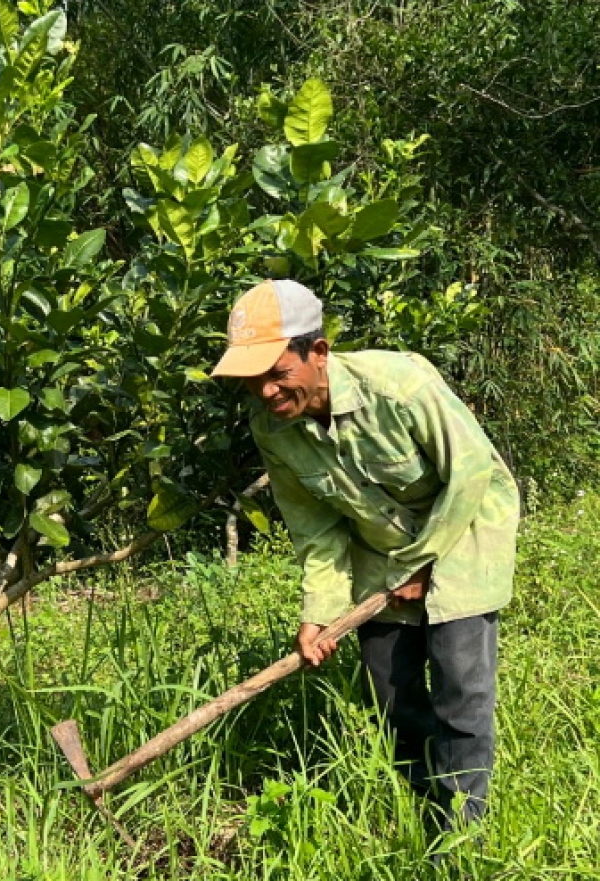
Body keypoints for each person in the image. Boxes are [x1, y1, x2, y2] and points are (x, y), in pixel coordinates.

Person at [211, 278, 520, 830]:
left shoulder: (400, 385)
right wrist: (319, 615)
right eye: (252, 379)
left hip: (464, 527)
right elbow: (317, 531)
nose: (266, 392)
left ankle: (463, 839)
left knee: (460, 690)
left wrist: (424, 564)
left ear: (319, 353)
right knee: (391, 697)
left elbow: (471, 473)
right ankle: (433, 817)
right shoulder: (274, 429)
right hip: (382, 550)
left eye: (278, 373)